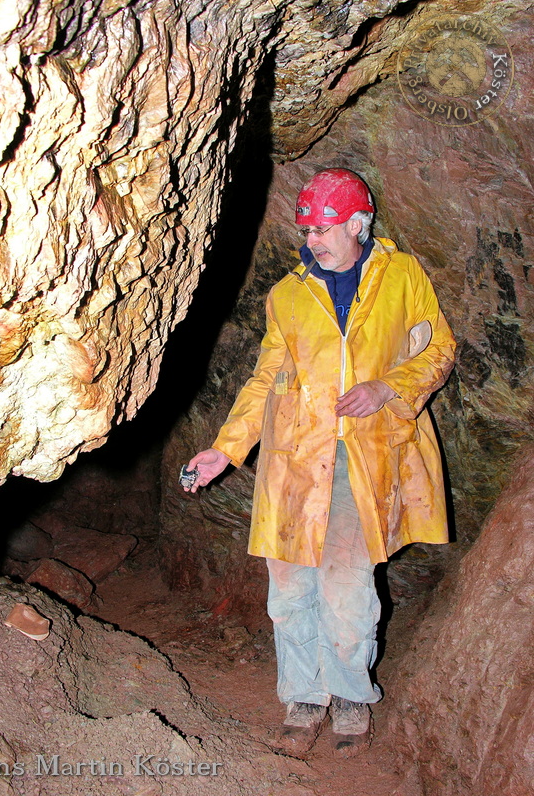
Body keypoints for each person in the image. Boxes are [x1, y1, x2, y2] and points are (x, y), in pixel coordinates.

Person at [184, 168, 456, 757]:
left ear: (359, 224)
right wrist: (224, 450)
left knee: (347, 585)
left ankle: (351, 695)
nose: (315, 240)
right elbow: (265, 380)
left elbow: (438, 348)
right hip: (294, 461)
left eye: (326, 228)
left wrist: (387, 387)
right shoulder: (287, 295)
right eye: (308, 229)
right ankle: (303, 695)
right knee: (287, 588)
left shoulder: (401, 277)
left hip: (361, 459)